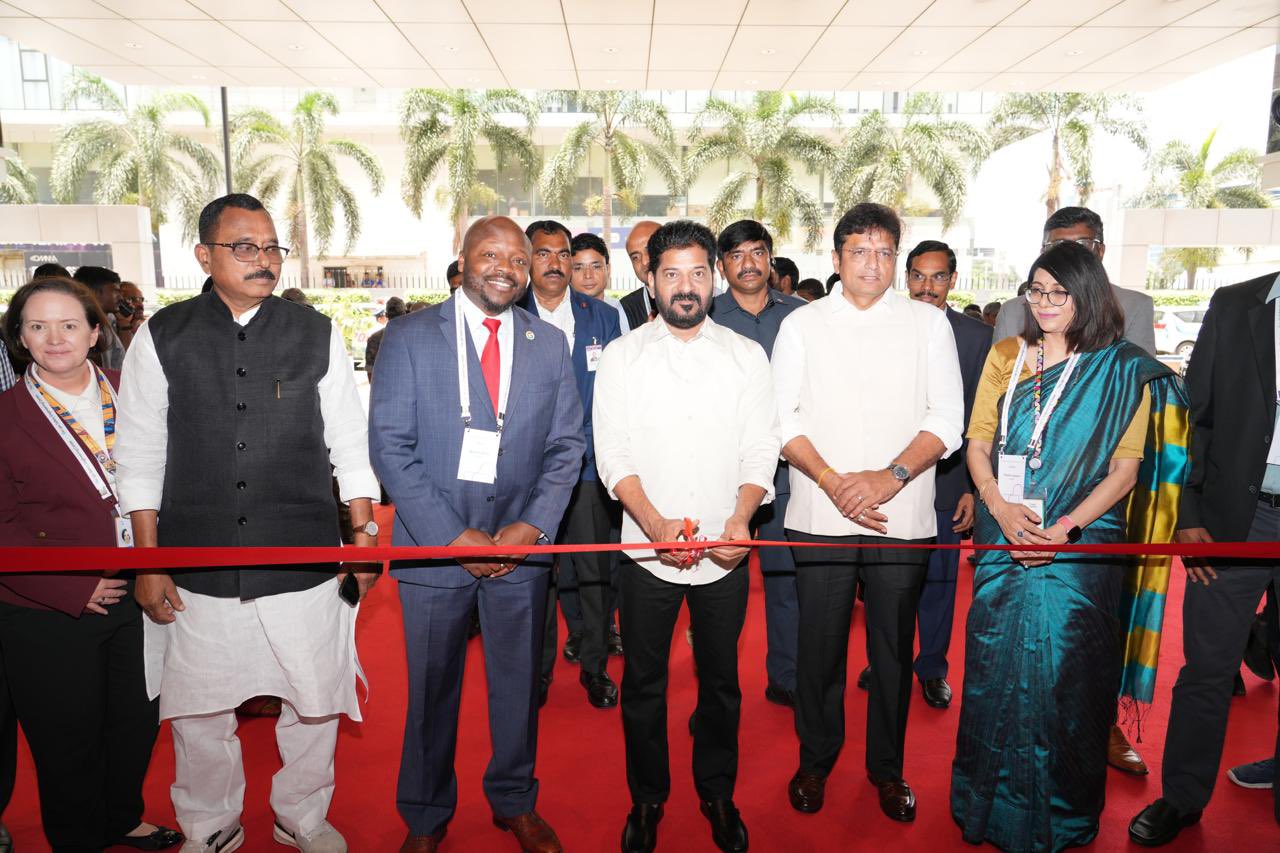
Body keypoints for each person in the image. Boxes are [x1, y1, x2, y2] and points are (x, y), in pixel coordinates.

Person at [116, 193, 380, 853]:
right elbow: (140, 456)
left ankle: (302, 816)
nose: (263, 259)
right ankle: (210, 823)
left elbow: (350, 445)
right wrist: (149, 563)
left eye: (271, 247)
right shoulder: (162, 336)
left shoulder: (315, 331)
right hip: (197, 564)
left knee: (314, 701)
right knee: (198, 709)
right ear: (204, 256)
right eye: (244, 247)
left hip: (304, 561)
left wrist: (364, 539)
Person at [953, 241, 1188, 852]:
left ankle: (1061, 817)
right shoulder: (1007, 354)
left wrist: (1066, 530)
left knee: (1070, 680)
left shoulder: (1122, 369)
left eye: (1060, 291)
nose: (1046, 302)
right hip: (1003, 537)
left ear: (1088, 295)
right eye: (1036, 290)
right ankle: (987, 808)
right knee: (993, 671)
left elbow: (1125, 472)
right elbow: (977, 444)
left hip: (1081, 549)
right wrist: (998, 506)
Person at [369, 215, 583, 853]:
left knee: (518, 687)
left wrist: (532, 525)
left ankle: (515, 801)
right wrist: (451, 536)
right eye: (490, 254)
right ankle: (425, 815)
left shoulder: (548, 343)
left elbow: (567, 445)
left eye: (518, 259)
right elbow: (390, 446)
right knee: (431, 690)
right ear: (462, 261)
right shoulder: (408, 337)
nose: (505, 268)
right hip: (435, 550)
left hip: (520, 552)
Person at [771, 203, 964, 824]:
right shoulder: (802, 325)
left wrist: (889, 477)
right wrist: (833, 482)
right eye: (860, 252)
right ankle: (816, 759)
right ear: (836, 259)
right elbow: (781, 419)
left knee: (892, 651)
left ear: (896, 261)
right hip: (820, 512)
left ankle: (887, 768)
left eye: (884, 253)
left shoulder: (927, 325)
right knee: (819, 648)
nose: (872, 264)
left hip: (901, 515)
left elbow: (947, 418)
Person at [594, 220, 780, 853]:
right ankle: (647, 799)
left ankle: (717, 793)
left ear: (715, 277)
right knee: (643, 683)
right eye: (671, 273)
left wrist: (742, 520)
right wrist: (654, 525)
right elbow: (613, 454)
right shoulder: (622, 357)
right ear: (650, 280)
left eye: (698, 272)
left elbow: (761, 447)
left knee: (722, 682)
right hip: (646, 554)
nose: (685, 286)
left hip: (726, 553)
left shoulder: (746, 356)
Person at [0, 276, 183, 852]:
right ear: (21, 338)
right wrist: (70, 586)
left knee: (137, 721)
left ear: (95, 332)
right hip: (47, 607)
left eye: (69, 324)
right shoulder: (5, 414)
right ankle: (78, 839)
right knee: (67, 737)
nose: (55, 338)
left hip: (143, 586)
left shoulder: (136, 394)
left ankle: (121, 817)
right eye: (38, 326)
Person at [1129, 267, 1280, 846]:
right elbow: (1196, 416)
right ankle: (1183, 798)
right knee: (1208, 670)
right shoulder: (1237, 304)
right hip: (1234, 521)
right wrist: (1188, 512)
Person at [518, 219, 623, 710]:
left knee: (594, 574)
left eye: (563, 254)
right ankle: (536, 674)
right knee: (536, 576)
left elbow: (617, 396)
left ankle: (595, 667)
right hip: (527, 475)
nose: (555, 263)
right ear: (527, 259)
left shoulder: (601, 316)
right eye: (543, 253)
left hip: (586, 471)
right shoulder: (508, 313)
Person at [708, 219, 806, 709]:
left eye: (756, 252)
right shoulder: (704, 316)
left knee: (786, 580)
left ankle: (786, 676)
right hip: (721, 475)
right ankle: (715, 698)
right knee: (716, 592)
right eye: (736, 255)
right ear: (721, 265)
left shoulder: (803, 316)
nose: (748, 264)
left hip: (789, 474)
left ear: (770, 257)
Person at [894, 240, 992, 709]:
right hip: (888, 482)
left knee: (939, 582)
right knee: (889, 585)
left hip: (949, 481)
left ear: (953, 280)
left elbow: (982, 421)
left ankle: (932, 667)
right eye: (918, 276)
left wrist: (973, 487)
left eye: (937, 277)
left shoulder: (975, 338)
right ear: (906, 278)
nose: (926, 287)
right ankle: (887, 660)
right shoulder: (884, 325)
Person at [992, 207, 1156, 355]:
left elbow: (1140, 375)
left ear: (1100, 251)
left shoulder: (1134, 307)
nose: (1071, 256)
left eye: (1083, 245)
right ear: (1043, 253)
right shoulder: (1013, 313)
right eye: (1059, 246)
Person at [571, 231, 630, 334]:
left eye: (596, 266)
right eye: (578, 268)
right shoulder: (559, 313)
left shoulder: (625, 311)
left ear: (608, 269)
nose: (588, 275)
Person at [73, 265, 127, 371]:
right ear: (96, 293)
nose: (121, 297)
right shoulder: (87, 327)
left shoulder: (108, 322)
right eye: (115, 291)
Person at [619, 221, 661, 329]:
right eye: (635, 257)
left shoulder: (698, 295)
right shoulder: (625, 309)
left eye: (650, 250)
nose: (645, 261)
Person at [365, 296, 407, 382]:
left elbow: (370, 372)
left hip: (383, 386)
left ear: (386, 315)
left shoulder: (374, 338)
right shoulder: (413, 337)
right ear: (405, 313)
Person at [116, 281, 147, 349]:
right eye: (133, 299)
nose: (141, 305)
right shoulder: (112, 330)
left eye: (141, 299)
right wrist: (124, 323)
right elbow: (126, 354)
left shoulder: (145, 329)